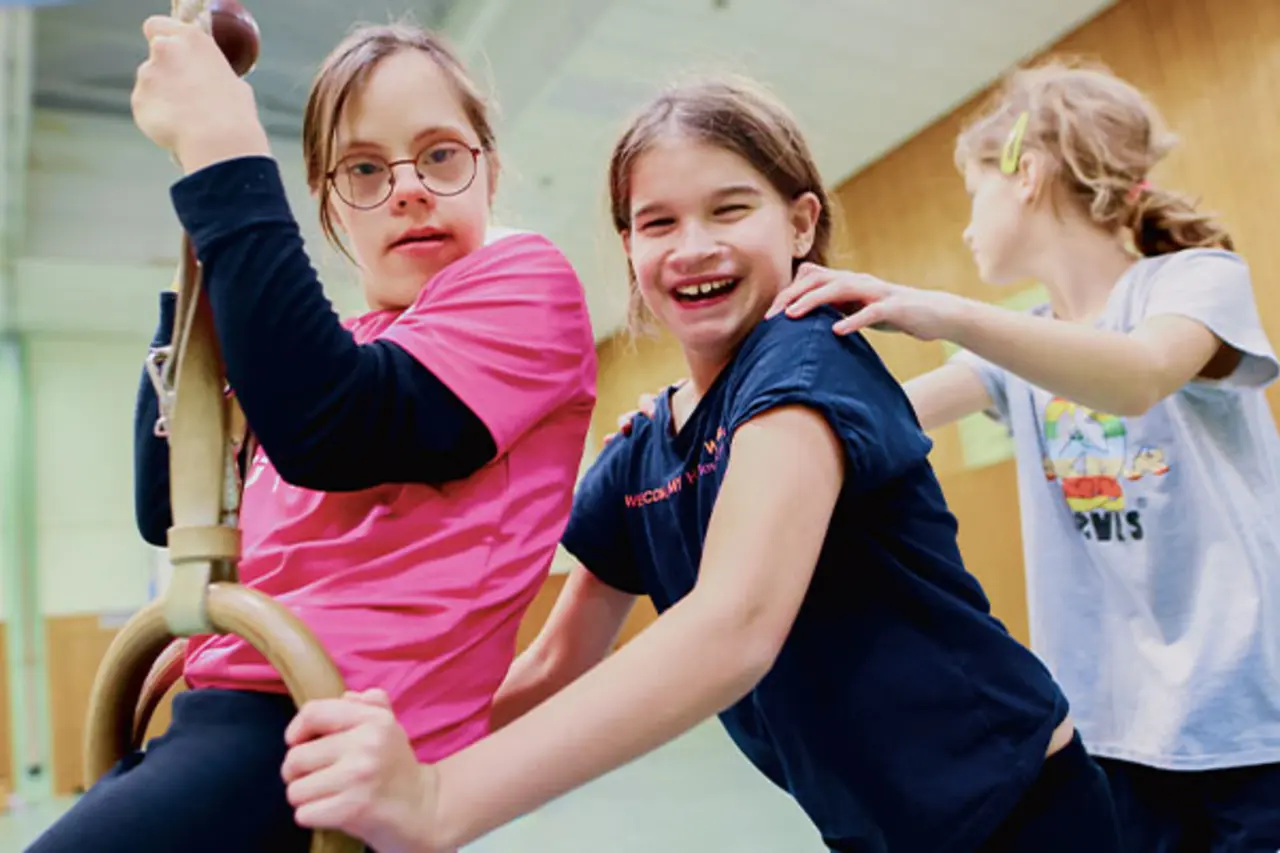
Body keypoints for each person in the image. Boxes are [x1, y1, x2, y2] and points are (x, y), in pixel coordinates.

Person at [277, 75, 1123, 853]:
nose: (694, 246)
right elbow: (554, 664)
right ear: (629, 247)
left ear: (800, 223)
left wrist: (439, 800)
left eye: (730, 210)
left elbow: (733, 627)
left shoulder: (810, 355)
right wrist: (389, 760)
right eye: (658, 223)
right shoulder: (642, 451)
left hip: (1022, 808)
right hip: (875, 830)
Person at [28, 17, 595, 853]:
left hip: (324, 730)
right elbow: (169, 509)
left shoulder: (524, 285)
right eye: (365, 169)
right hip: (221, 718)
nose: (408, 189)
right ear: (330, 204)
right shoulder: (331, 351)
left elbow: (332, 429)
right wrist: (204, 265)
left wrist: (225, 150)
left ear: (490, 169)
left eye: (441, 155)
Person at [755, 59, 1280, 852]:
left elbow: (1138, 375)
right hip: (1119, 735)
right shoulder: (1020, 347)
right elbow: (869, 421)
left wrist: (948, 313)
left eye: (974, 193)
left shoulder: (1194, 281)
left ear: (1026, 174)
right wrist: (700, 418)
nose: (967, 226)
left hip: (1249, 723)